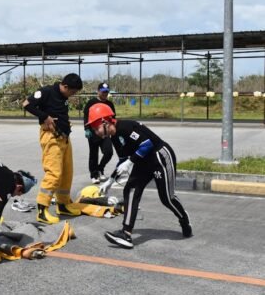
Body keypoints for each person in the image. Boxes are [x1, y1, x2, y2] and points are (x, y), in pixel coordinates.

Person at [86, 103, 193, 249]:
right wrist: (110, 180)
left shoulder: (126, 127)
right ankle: (126, 233)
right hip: (142, 160)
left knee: (167, 198)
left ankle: (183, 218)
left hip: (159, 157)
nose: (95, 132)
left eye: (96, 127)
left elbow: (147, 144)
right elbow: (123, 160)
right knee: (130, 190)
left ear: (105, 121)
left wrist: (131, 161)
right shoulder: (114, 137)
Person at [23, 73, 83, 224]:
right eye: (73, 92)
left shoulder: (63, 96)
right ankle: (42, 210)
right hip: (52, 138)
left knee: (67, 173)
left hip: (64, 137)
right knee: (54, 173)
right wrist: (44, 116)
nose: (72, 95)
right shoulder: (47, 91)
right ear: (66, 86)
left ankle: (63, 205)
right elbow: (26, 104)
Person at [83, 82, 115, 184]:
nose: (105, 94)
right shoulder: (91, 102)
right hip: (93, 132)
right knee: (93, 154)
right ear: (98, 91)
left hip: (105, 132)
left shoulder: (109, 104)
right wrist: (86, 128)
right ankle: (94, 174)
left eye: (106, 92)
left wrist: (114, 129)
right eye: (103, 92)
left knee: (109, 152)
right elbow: (86, 116)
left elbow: (113, 118)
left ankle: (100, 168)